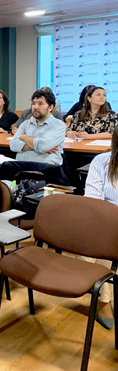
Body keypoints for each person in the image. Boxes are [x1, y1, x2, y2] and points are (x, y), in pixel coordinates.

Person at [83, 127, 118, 330]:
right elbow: (93, 201)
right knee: (105, 239)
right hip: (106, 221)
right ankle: (104, 301)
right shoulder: (102, 162)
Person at [1, 89, 68, 185]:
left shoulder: (58, 125)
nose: (35, 107)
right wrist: (40, 147)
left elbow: (44, 145)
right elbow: (13, 145)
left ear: (50, 107)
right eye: (33, 103)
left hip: (45, 170)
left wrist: (23, 137)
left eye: (40, 103)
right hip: (20, 169)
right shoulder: (26, 124)